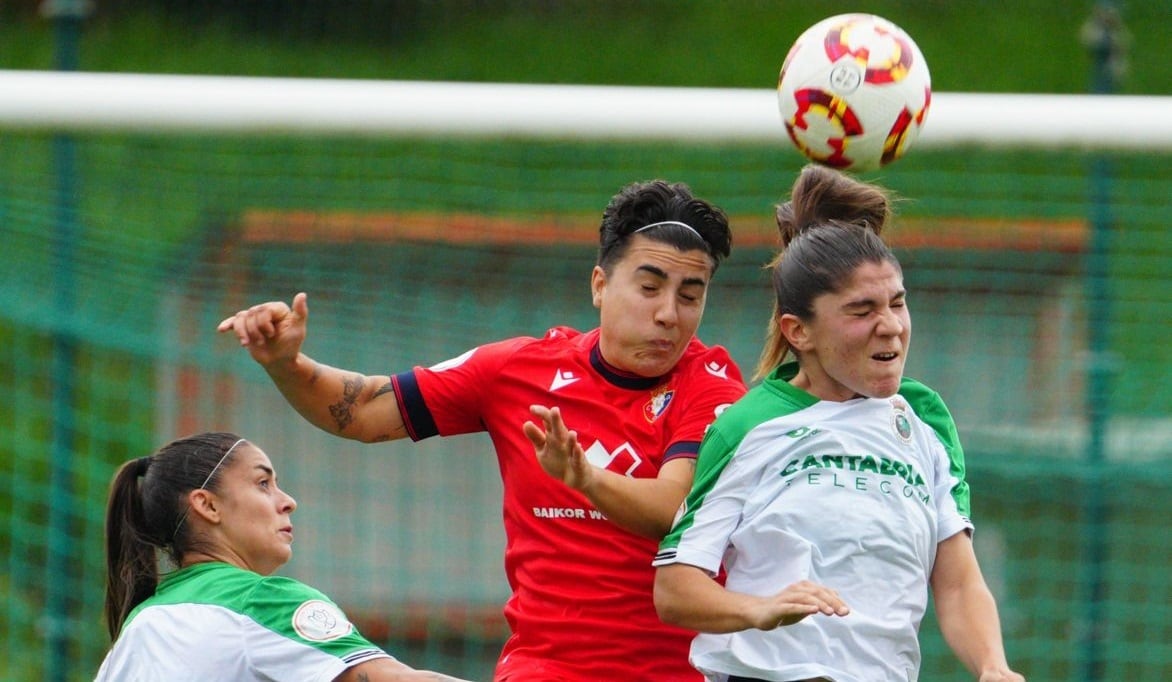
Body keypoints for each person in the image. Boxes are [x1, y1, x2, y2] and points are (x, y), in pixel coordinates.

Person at [216, 180, 749, 681]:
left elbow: (674, 512)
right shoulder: (515, 370)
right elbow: (362, 411)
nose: (668, 314)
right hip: (543, 669)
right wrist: (286, 363)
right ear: (600, 285)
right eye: (650, 287)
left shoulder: (712, 383)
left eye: (689, 295)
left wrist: (585, 478)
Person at [652, 165, 1025, 682]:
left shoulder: (925, 421)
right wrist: (756, 610)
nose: (890, 325)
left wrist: (992, 666)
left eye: (897, 302)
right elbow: (674, 588)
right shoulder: (749, 424)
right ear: (798, 331)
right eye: (862, 310)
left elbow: (958, 581)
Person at [95, 431, 469, 682]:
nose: (288, 501)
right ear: (207, 505)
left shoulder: (134, 630)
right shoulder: (261, 602)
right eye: (263, 483)